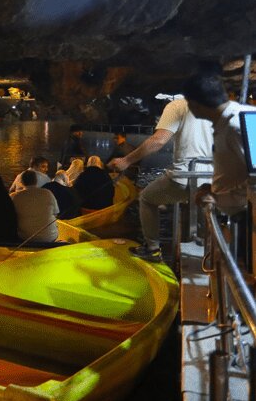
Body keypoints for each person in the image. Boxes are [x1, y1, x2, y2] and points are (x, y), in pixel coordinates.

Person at [108, 95, 213, 262]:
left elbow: (158, 140)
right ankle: (209, 252)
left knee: (147, 199)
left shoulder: (177, 106)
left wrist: (126, 160)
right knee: (206, 215)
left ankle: (153, 249)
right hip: (211, 177)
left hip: (185, 176)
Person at [183, 71, 256, 221]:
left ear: (194, 104)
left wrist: (219, 197)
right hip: (242, 214)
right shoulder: (232, 120)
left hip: (249, 218)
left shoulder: (236, 125)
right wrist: (214, 190)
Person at [11, 170, 60, 242]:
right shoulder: (47, 193)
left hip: (25, 238)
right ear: (36, 180)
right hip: (50, 236)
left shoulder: (16, 197)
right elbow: (56, 212)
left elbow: (13, 217)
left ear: (21, 182)